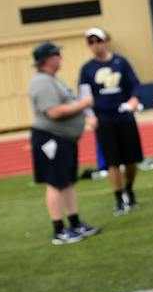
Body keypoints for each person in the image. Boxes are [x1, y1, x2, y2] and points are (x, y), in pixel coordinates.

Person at [28, 42, 100, 244]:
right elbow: (53, 111)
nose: (61, 57)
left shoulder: (51, 80)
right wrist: (82, 105)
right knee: (55, 182)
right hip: (51, 138)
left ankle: (75, 222)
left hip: (63, 139)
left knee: (67, 181)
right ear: (47, 59)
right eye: (56, 54)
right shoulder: (42, 82)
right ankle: (58, 229)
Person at [78, 27, 144, 215]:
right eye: (91, 42)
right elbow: (84, 94)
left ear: (106, 41)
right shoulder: (87, 69)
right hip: (104, 118)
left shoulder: (121, 62)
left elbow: (134, 85)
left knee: (131, 158)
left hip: (123, 115)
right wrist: (90, 116)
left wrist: (134, 100)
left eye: (98, 41)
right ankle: (118, 198)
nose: (95, 45)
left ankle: (129, 189)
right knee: (112, 161)